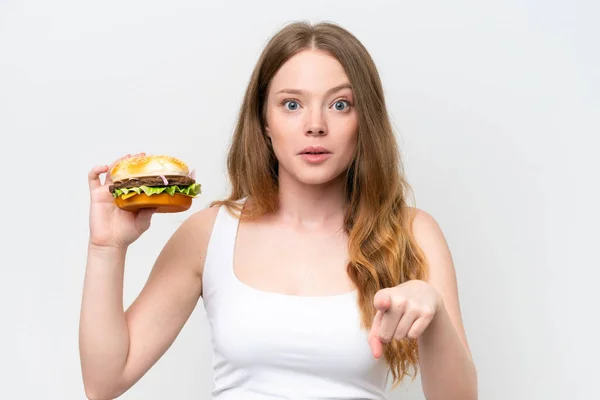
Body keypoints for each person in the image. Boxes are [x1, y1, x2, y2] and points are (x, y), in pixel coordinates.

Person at [79, 21, 478, 400]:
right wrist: (106, 249)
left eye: (340, 104)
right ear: (264, 121)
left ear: (365, 120)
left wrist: (434, 312)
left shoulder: (413, 232)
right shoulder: (209, 234)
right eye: (291, 104)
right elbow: (104, 382)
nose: (315, 125)